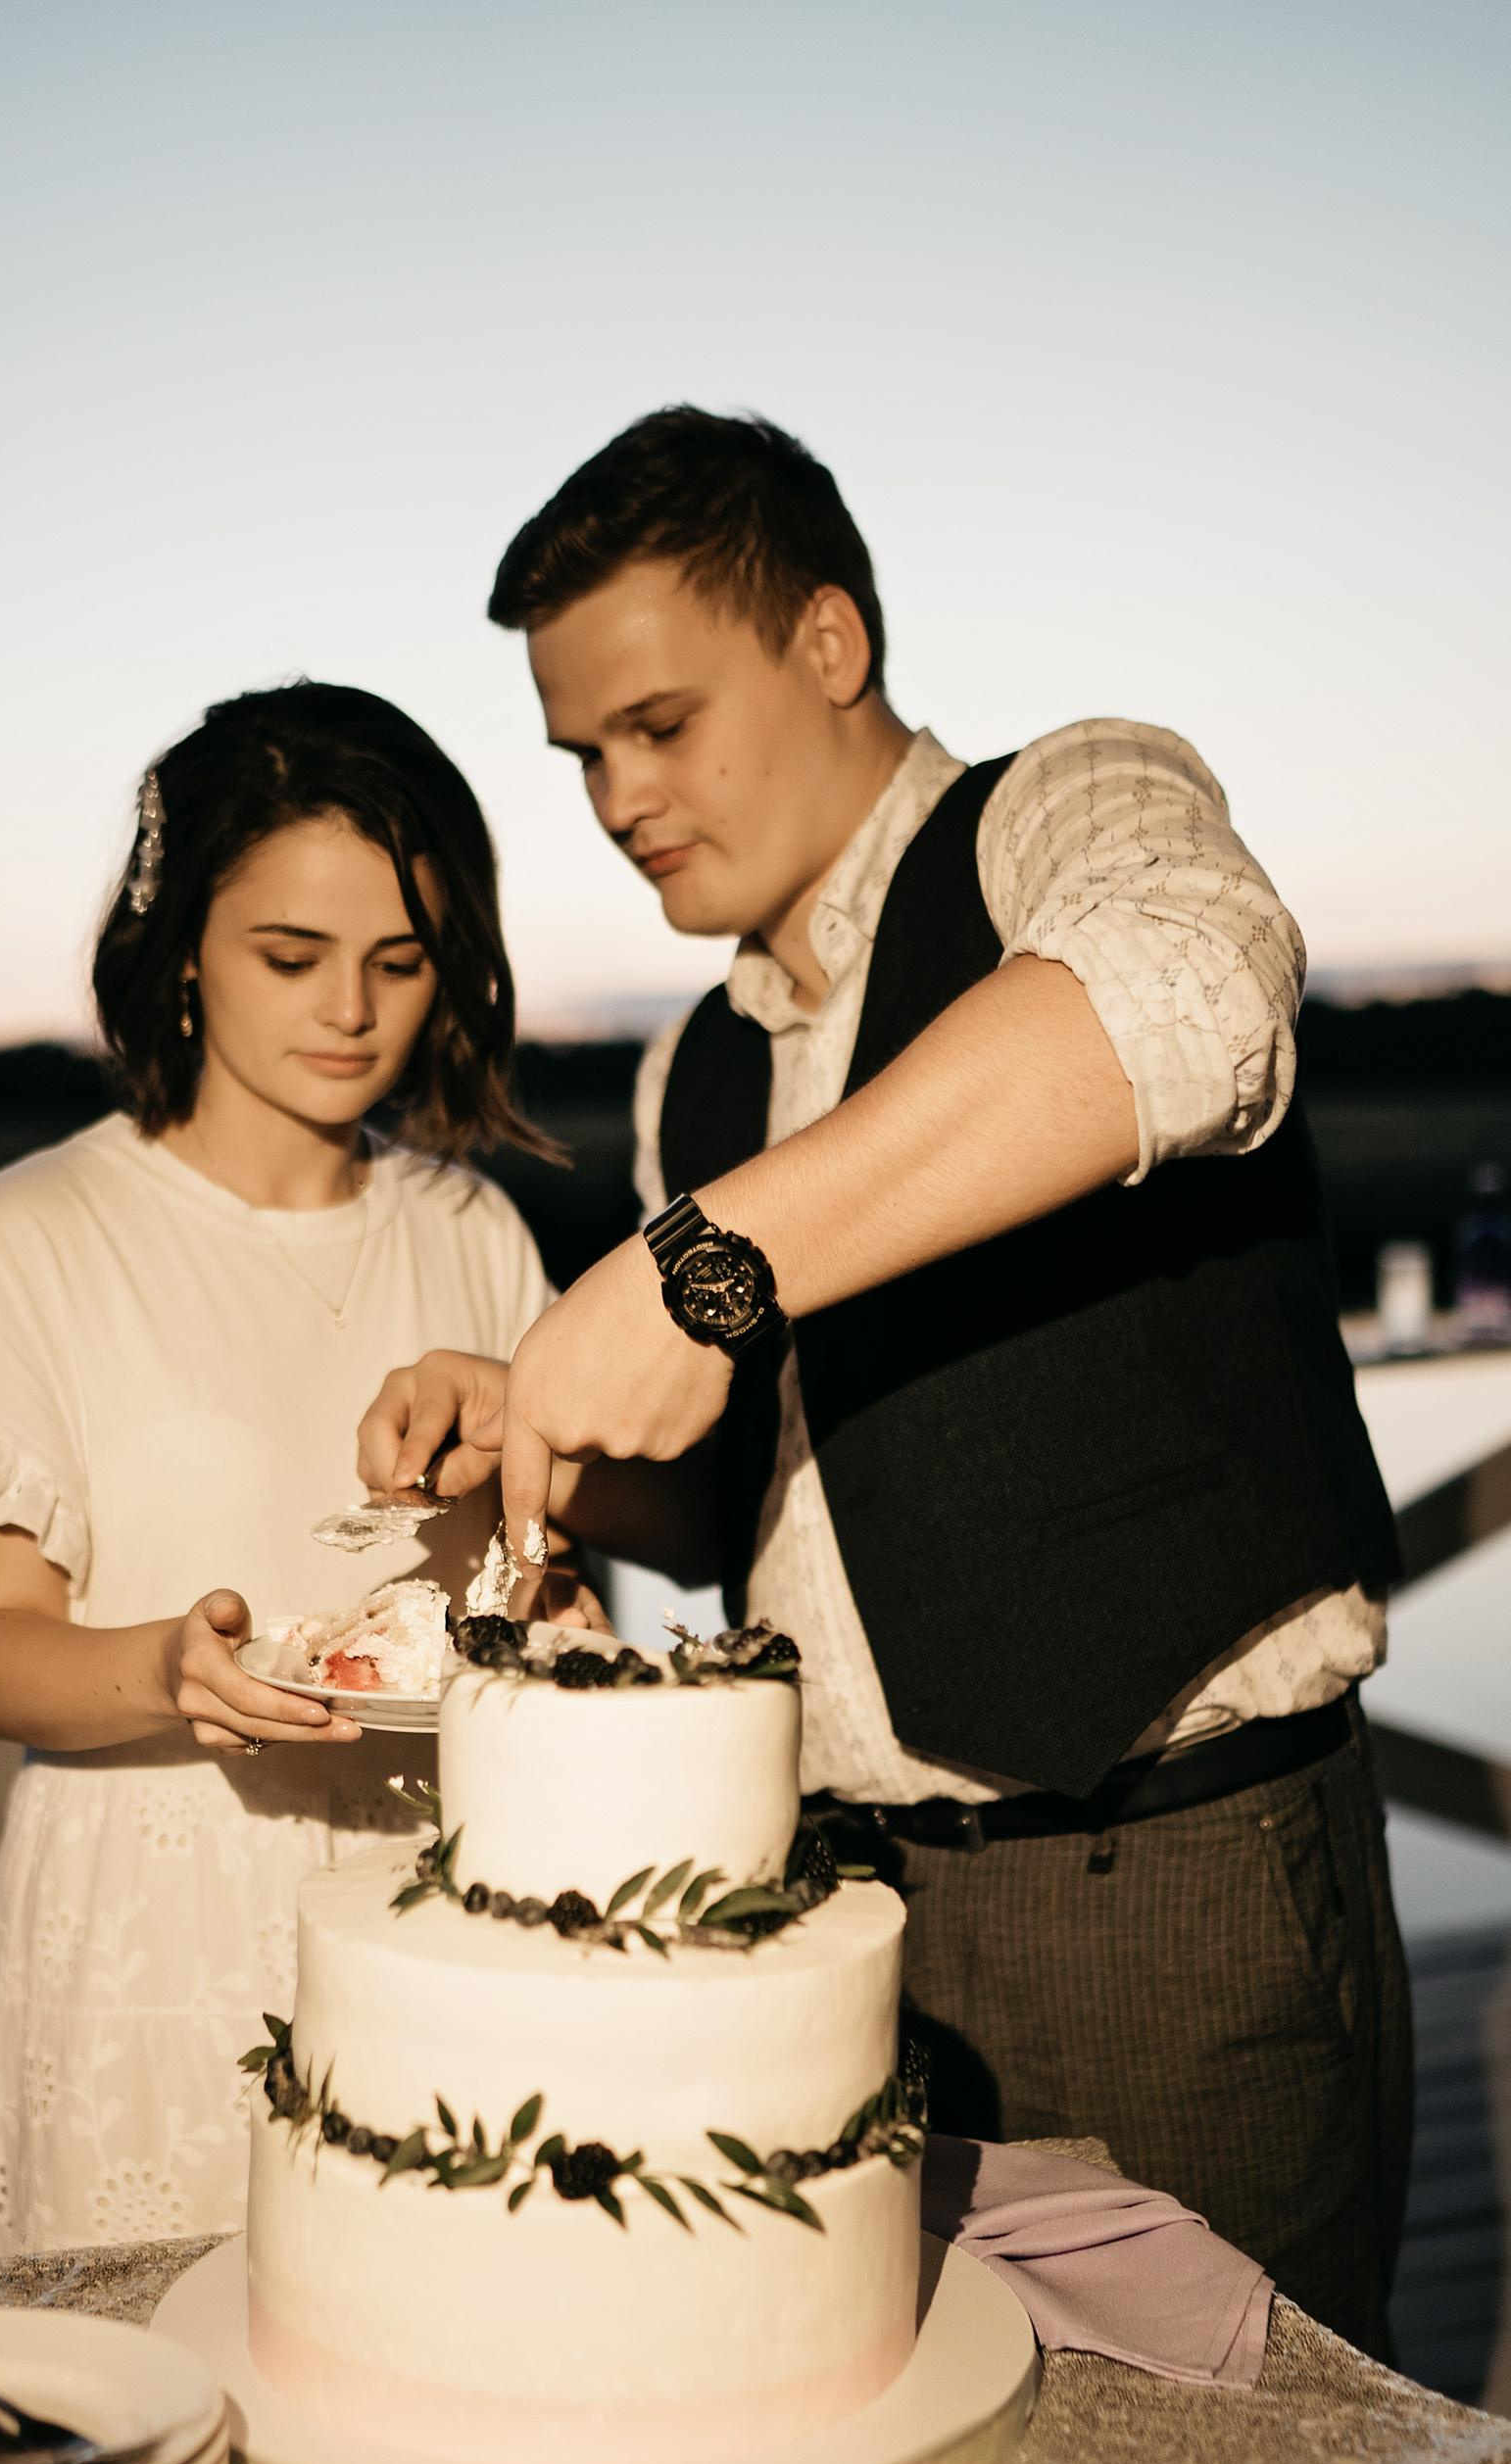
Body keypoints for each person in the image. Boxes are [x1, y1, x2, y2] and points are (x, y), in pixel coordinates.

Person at [361, 410, 1410, 2354]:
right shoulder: (698, 1072)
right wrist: (551, 1433)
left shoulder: (1063, 806)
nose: (616, 795)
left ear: (829, 642)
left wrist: (686, 1274)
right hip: (836, 1924)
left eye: (659, 724)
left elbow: (1192, 999)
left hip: (1165, 1897)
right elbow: (756, 1495)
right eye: (583, 753)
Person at [0, 684, 569, 2258]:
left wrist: (553, 1611)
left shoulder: (475, 1233)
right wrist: (175, 1670)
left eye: (400, 959)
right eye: (292, 958)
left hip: (442, 1897)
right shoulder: (33, 1235)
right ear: (179, 953)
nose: (352, 1013)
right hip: (153, 1919)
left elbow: (550, 1578)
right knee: (144, 2419)